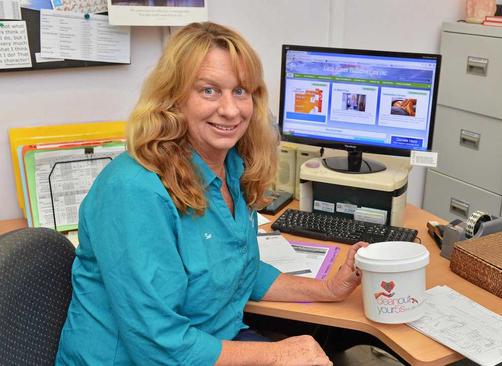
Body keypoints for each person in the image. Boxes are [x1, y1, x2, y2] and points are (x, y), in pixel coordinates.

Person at [55, 22, 366, 366]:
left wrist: (327, 290)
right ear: (173, 97)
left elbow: (239, 271)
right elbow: (159, 345)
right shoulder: (134, 191)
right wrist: (279, 353)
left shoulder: (233, 167)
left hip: (211, 344)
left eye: (241, 91)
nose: (231, 110)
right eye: (209, 91)